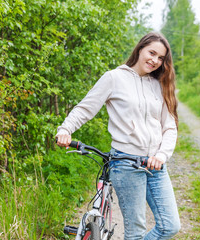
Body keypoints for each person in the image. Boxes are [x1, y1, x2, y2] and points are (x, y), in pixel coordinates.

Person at [56, 32, 180, 240]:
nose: (155, 61)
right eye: (152, 53)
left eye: (161, 58)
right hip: (126, 163)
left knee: (170, 226)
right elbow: (86, 108)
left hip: (156, 164)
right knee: (136, 231)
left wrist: (161, 155)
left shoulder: (159, 84)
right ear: (140, 49)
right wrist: (65, 129)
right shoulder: (114, 78)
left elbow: (169, 127)